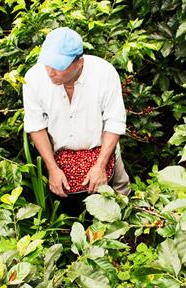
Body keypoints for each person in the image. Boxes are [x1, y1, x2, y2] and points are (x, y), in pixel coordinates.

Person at [22, 27, 130, 214]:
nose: (50, 72)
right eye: (47, 64)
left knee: (121, 200)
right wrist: (52, 168)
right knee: (70, 214)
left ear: (79, 62)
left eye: (58, 66)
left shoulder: (104, 73)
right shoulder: (34, 78)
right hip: (59, 155)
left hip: (104, 150)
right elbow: (36, 126)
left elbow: (114, 121)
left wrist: (100, 164)